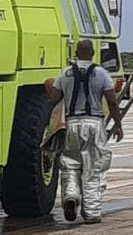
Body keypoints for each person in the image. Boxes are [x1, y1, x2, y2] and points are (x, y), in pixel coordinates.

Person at [44, 38, 125, 224]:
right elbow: (112, 101)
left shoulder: (65, 73)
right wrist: (118, 124)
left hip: (71, 123)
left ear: (76, 53)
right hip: (94, 123)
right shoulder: (101, 73)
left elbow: (54, 98)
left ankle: (71, 196)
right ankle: (92, 212)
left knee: (70, 164)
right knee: (93, 167)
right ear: (93, 53)